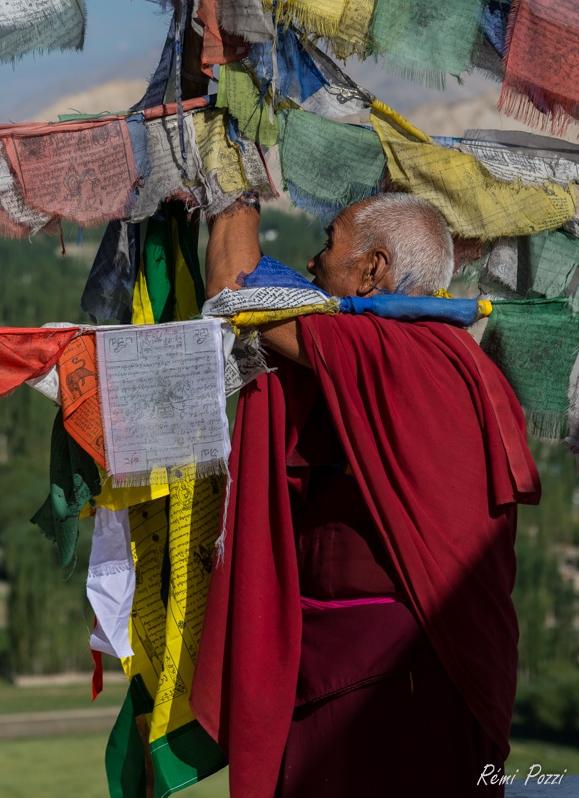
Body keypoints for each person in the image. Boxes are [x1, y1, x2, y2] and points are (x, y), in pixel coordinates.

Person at [191, 192, 541, 798]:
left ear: (374, 268)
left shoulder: (384, 351)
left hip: (377, 685)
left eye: (328, 245)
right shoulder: (470, 361)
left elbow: (233, 293)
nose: (312, 263)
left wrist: (232, 181)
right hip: (452, 677)